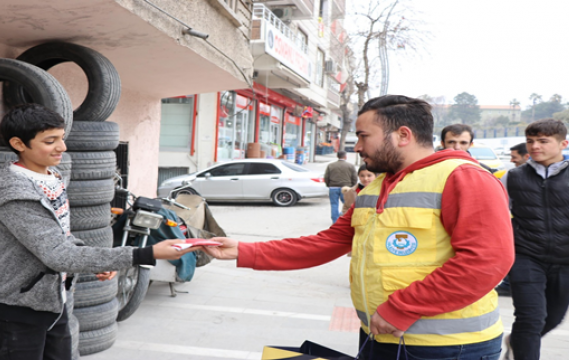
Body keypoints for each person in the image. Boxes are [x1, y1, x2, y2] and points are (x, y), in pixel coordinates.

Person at [203, 95, 513, 359]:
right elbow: (328, 242)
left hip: (447, 348)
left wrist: (402, 308)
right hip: (379, 336)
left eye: (364, 136)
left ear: (402, 135)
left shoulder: (464, 177)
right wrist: (245, 250)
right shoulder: (377, 185)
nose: (356, 147)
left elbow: (486, 261)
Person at [0, 104, 195, 360]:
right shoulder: (15, 194)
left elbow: (59, 234)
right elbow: (57, 254)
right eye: (50, 141)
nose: (62, 147)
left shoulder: (53, 177)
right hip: (17, 304)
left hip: (52, 297)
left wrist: (88, 257)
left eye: (62, 138)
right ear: (19, 144)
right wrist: (143, 254)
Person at [502, 119, 569, 360]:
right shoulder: (512, 177)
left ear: (563, 143)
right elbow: (497, 217)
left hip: (565, 261)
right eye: (530, 141)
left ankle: (516, 341)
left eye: (543, 141)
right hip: (526, 257)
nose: (534, 146)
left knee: (553, 318)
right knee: (530, 318)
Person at [494, 142, 529, 297]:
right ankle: (508, 284)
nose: (512, 160)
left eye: (514, 157)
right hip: (518, 227)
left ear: (526, 156)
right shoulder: (511, 176)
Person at [324, 150, 357, 223]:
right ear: (345, 156)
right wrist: (352, 186)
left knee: (334, 204)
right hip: (346, 188)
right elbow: (354, 177)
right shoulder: (350, 165)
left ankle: (335, 221)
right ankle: (347, 219)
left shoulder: (331, 165)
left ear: (337, 156)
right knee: (348, 204)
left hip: (333, 187)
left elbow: (326, 177)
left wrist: (328, 185)